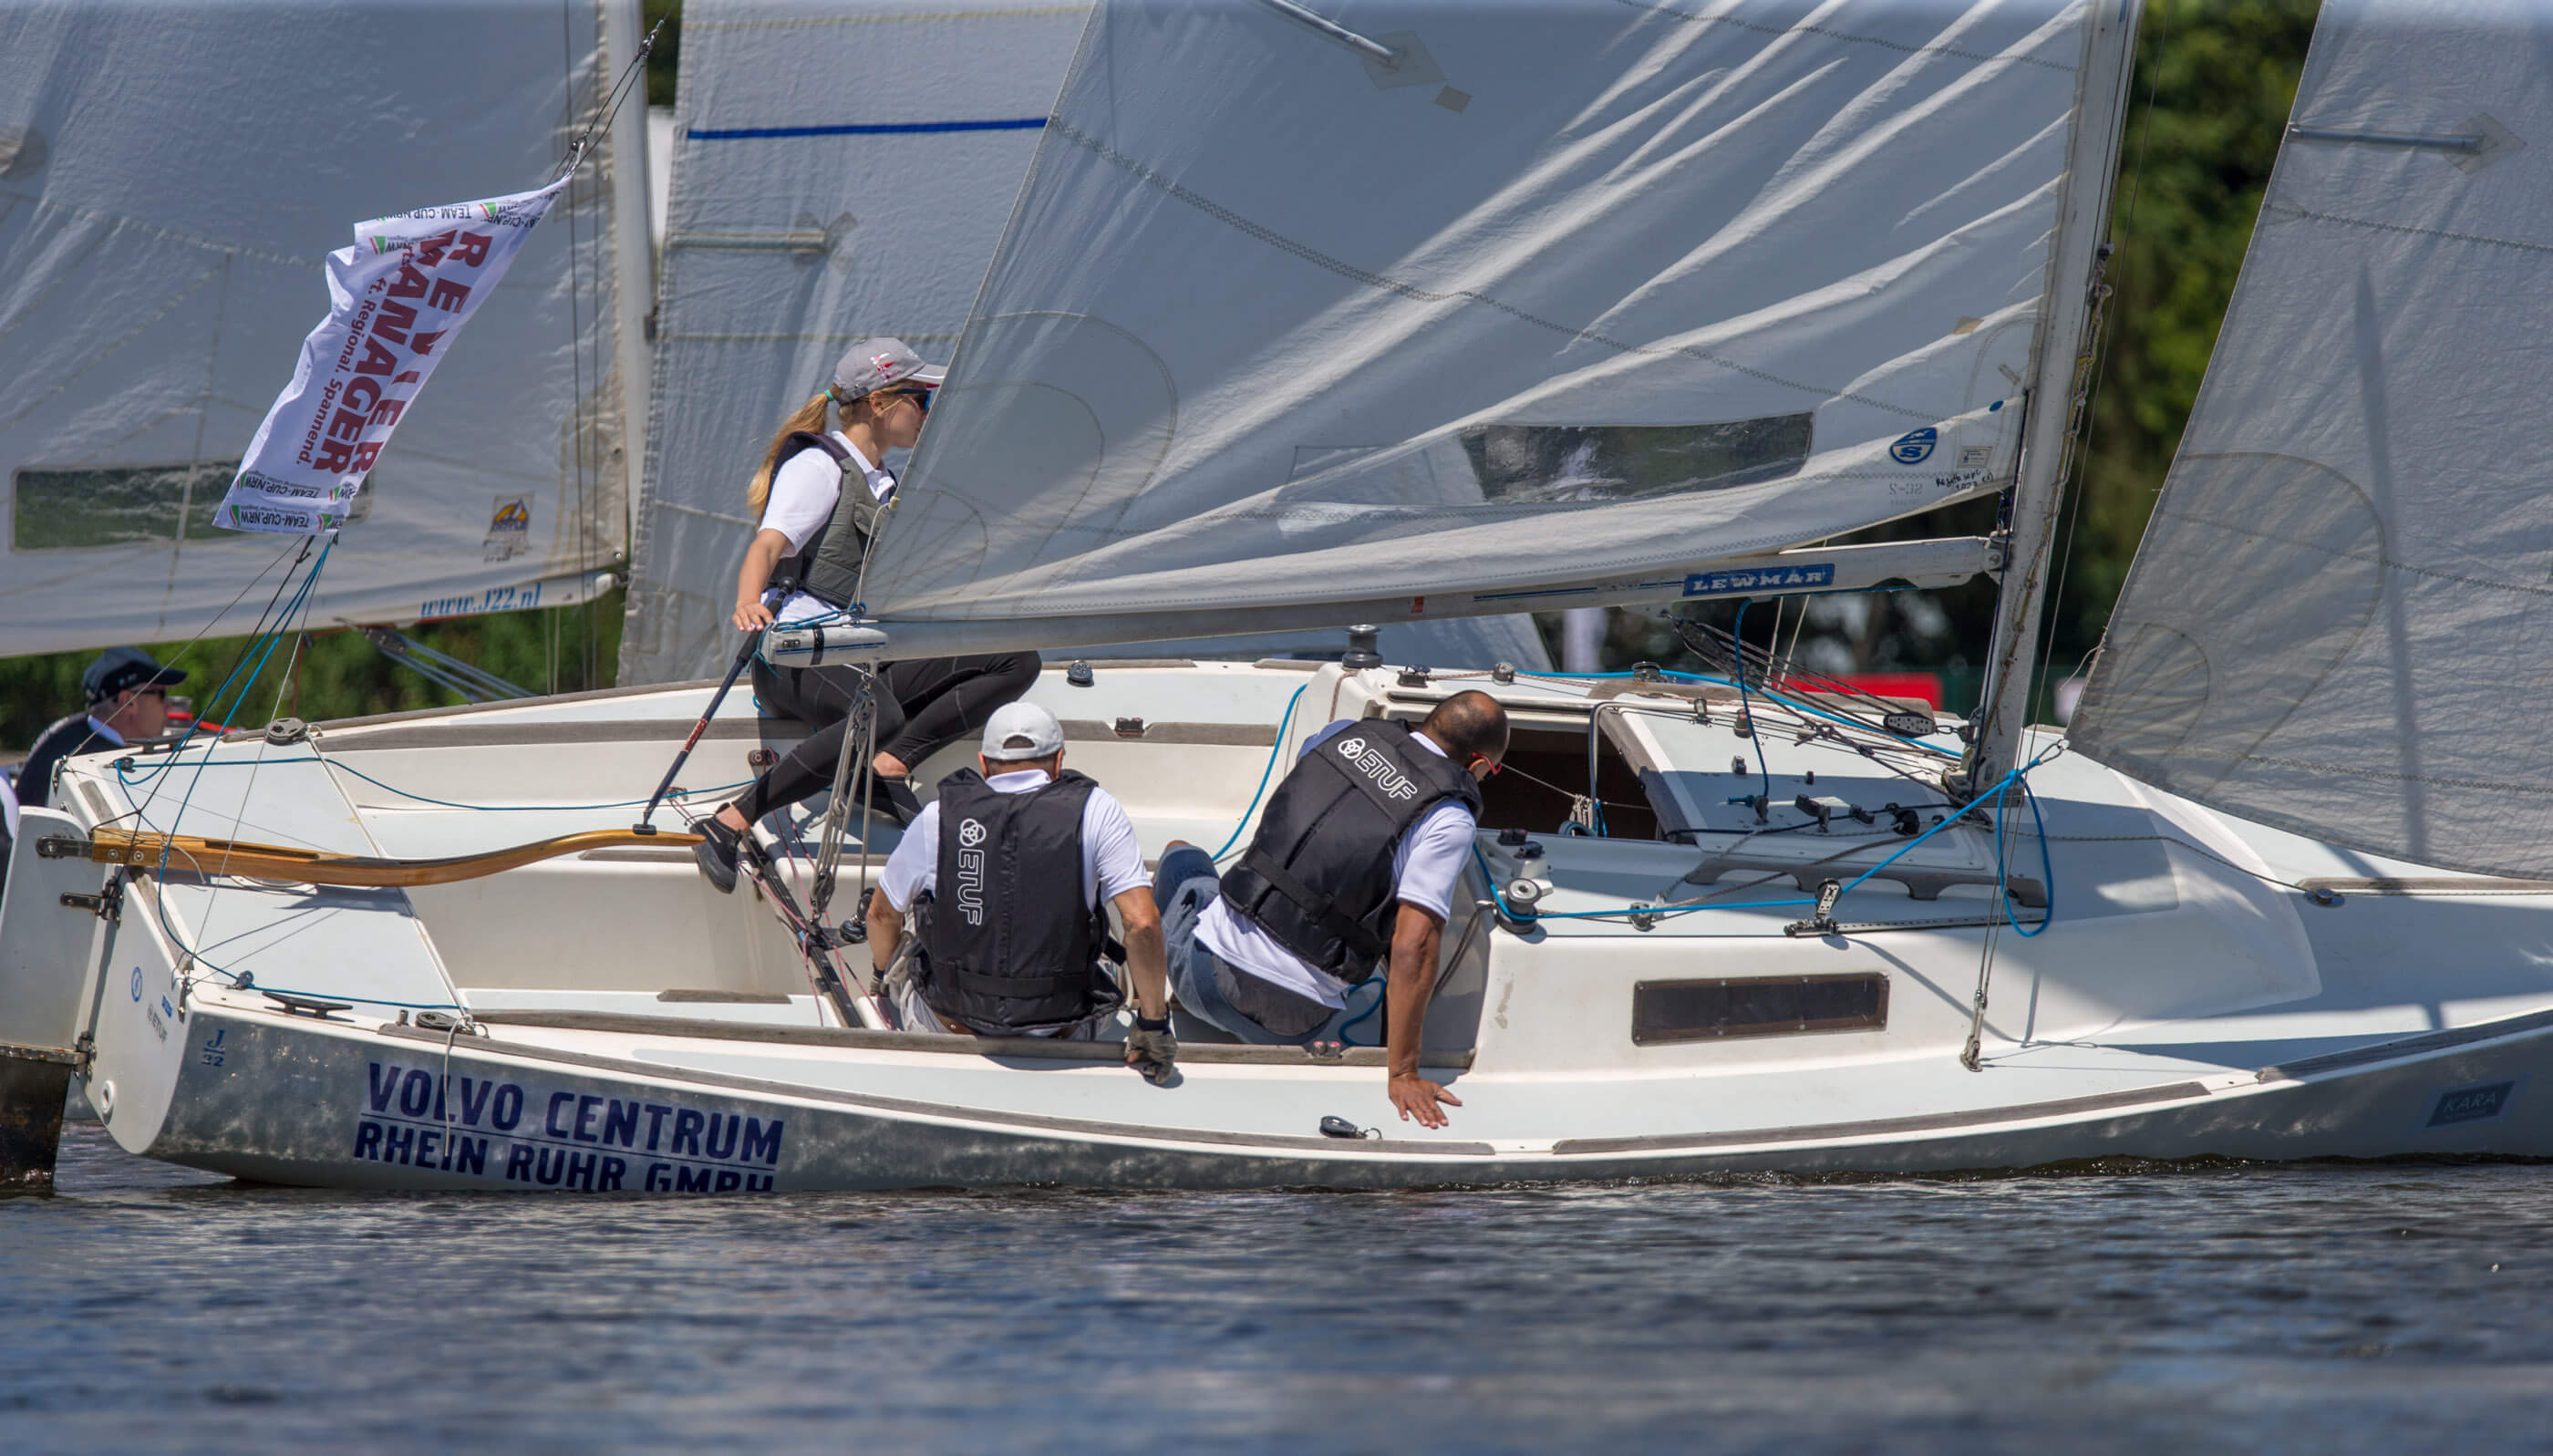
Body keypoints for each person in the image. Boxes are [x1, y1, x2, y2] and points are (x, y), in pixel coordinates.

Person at [693, 337, 1039, 893]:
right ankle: (732, 819)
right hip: (794, 653)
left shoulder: (883, 482)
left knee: (1014, 659)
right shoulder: (818, 466)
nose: (928, 411)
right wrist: (747, 600)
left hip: (857, 649)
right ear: (880, 403)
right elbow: (767, 545)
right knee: (874, 708)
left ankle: (888, 765)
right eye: (920, 399)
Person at [1154, 690, 1507, 1128]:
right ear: (1476, 764)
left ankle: (1167, 994)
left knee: (1181, 856)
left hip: (1206, 982)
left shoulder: (1345, 735)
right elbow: (1414, 945)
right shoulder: (1449, 820)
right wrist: (1402, 1073)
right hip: (1294, 1022)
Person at [863, 702, 1175, 1078]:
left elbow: (881, 915)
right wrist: (1153, 1024)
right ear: (1058, 761)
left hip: (949, 1026)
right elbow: (1142, 923)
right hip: (1065, 1033)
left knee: (920, 907)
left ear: (983, 764)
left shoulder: (937, 817)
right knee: (1097, 922)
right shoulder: (1097, 811)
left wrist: (882, 974)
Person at [17, 646, 186, 811]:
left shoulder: (64, 736)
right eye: (161, 695)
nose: (168, 705)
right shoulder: (91, 761)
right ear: (128, 701)